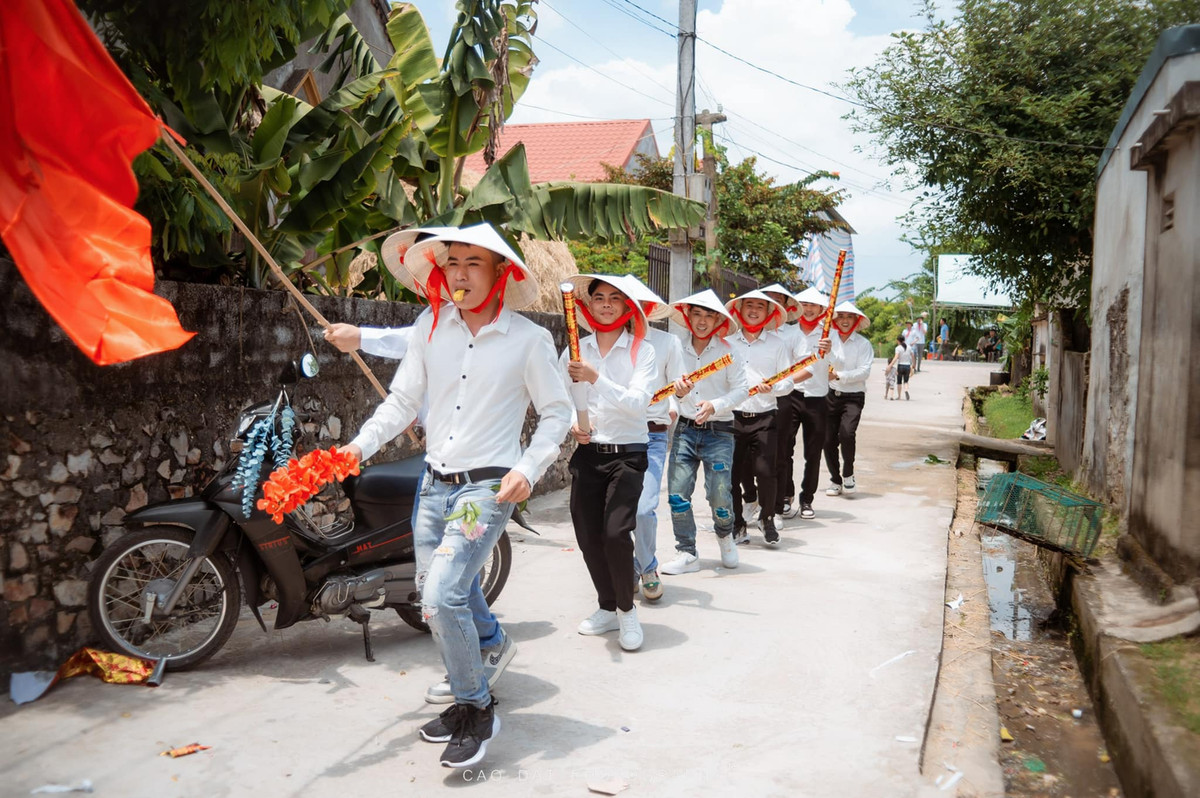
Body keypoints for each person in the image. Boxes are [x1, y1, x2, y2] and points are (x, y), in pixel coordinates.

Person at [342, 224, 572, 769]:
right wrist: (356, 447)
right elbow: (402, 402)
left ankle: (475, 708)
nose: (461, 274)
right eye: (453, 264)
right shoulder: (429, 326)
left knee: (444, 596)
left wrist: (529, 468)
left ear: (500, 274)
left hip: (487, 487)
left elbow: (557, 413)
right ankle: (489, 647)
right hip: (433, 485)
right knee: (434, 595)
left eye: (474, 263)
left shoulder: (528, 340)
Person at [560, 274, 655, 651]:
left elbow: (637, 403)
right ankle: (607, 605)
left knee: (616, 533)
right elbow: (559, 396)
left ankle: (628, 612)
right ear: (588, 306)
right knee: (588, 535)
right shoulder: (573, 349)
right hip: (589, 454)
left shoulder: (642, 351)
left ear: (627, 307)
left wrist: (596, 377)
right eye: (599, 297)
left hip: (628, 454)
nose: (606, 304)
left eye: (615, 298)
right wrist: (573, 423)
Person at [660, 290, 749, 575]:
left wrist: (715, 404)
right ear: (687, 317)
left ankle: (725, 534)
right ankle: (686, 551)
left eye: (708, 315)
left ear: (717, 320)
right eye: (696, 314)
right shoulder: (675, 347)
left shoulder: (729, 351)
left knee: (720, 493)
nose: (701, 321)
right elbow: (666, 384)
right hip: (685, 430)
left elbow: (741, 390)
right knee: (677, 493)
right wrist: (676, 401)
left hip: (720, 431)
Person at [618, 275, 684, 603]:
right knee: (616, 513)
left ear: (649, 307)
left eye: (638, 304)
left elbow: (679, 386)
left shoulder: (667, 343)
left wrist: (674, 402)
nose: (632, 310)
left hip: (652, 436)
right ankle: (626, 567)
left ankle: (647, 566)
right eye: (625, 302)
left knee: (644, 509)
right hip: (613, 436)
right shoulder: (603, 343)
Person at [725, 289, 804, 545]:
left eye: (761, 306)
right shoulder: (727, 343)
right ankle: (737, 523)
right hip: (732, 416)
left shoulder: (777, 344)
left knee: (766, 471)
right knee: (732, 474)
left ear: (769, 313)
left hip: (765, 416)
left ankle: (767, 518)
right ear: (739, 309)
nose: (754, 310)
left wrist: (774, 388)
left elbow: (788, 382)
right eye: (749, 305)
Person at [780, 286, 833, 520]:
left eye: (814, 305)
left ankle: (807, 499)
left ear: (822, 309)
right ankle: (786, 494)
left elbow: (835, 364)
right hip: (790, 396)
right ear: (797, 308)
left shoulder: (828, 335)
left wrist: (830, 351)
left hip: (817, 399)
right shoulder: (787, 333)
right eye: (805, 305)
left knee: (813, 453)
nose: (809, 309)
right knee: (783, 449)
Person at [824, 302, 873, 497]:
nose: (845, 320)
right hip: (830, 395)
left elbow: (864, 372)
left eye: (849, 317)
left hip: (853, 396)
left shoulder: (863, 344)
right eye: (841, 316)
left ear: (856, 320)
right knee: (827, 440)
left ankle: (848, 473)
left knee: (846, 434)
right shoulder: (828, 340)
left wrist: (838, 375)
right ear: (835, 320)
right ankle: (835, 480)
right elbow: (823, 361)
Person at [889, 335, 912, 400]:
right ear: (904, 340)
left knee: (899, 382)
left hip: (900, 366)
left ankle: (899, 396)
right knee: (906, 381)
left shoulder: (898, 348)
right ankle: (906, 390)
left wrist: (890, 365)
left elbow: (896, 357)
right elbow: (913, 356)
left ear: (898, 341)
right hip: (907, 366)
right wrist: (913, 365)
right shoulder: (909, 347)